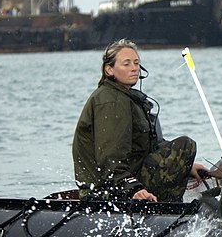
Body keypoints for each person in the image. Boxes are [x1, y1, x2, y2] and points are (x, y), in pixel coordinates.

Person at [72, 39, 206, 202]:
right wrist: (132, 188)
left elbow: (148, 147)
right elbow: (110, 157)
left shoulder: (125, 97)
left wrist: (183, 164)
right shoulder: (111, 101)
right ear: (109, 70)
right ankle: (168, 208)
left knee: (182, 150)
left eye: (136, 63)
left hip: (126, 175)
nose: (134, 68)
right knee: (185, 144)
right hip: (107, 189)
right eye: (126, 64)